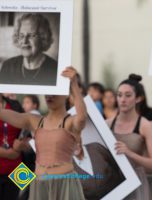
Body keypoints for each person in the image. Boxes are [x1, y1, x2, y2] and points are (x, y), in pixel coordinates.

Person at [0, 66, 87, 200]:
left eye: (55, 92)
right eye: (47, 91)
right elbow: (4, 114)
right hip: (39, 184)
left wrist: (74, 84)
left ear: (65, 93)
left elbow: (82, 118)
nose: (50, 95)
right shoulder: (34, 120)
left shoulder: (70, 121)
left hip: (64, 185)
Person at [106, 74, 152, 200]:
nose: (122, 100)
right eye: (119, 95)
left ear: (138, 98)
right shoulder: (107, 124)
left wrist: (129, 153)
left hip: (134, 182)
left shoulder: (145, 125)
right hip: (110, 181)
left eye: (128, 95)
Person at [0, 13, 57, 85]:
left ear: (43, 38)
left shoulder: (55, 69)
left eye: (31, 35)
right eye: (21, 36)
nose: (24, 41)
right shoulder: (7, 67)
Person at [0, 94, 24, 200]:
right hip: (7, 160)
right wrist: (7, 153)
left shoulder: (14, 105)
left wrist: (23, 144)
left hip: (19, 168)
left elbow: (27, 131)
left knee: (20, 197)